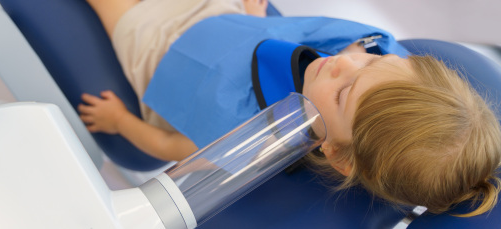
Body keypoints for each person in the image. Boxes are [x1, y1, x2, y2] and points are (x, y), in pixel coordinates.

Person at [78, 0, 501, 217]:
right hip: (223, 21)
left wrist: (122, 122)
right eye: (372, 62)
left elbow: (173, 145)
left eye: (343, 94)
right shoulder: (351, 56)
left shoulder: (254, 138)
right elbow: (329, 51)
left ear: (336, 153)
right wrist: (255, 19)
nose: (342, 62)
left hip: (158, 54)